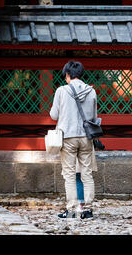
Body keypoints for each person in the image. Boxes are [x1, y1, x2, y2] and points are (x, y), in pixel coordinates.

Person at [50, 61, 99, 219]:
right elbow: (94, 117)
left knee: (70, 174)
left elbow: (54, 115)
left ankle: (71, 209)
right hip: (86, 136)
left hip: (68, 137)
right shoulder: (91, 91)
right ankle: (88, 210)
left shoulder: (61, 90)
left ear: (68, 75)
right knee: (87, 174)